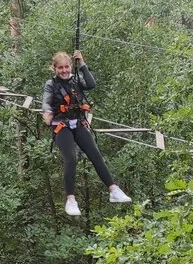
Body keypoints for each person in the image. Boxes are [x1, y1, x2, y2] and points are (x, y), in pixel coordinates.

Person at [41, 50, 132, 216]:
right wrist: (46, 112)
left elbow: (91, 84)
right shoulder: (51, 84)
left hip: (79, 123)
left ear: (70, 66)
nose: (64, 70)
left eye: (67, 67)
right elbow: (46, 100)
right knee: (71, 158)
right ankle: (70, 199)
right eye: (60, 68)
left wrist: (81, 64)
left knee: (95, 154)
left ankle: (113, 190)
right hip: (61, 125)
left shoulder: (75, 80)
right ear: (54, 68)